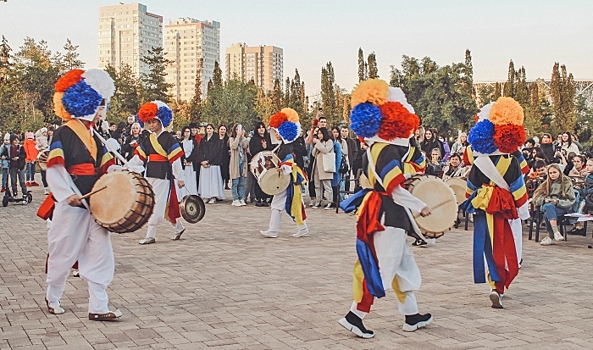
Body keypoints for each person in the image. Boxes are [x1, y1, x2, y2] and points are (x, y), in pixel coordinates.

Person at [339, 81, 433, 338]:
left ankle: (411, 315)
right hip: (387, 214)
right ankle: (355, 315)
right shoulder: (387, 149)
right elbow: (393, 187)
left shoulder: (378, 146)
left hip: (383, 212)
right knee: (383, 265)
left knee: (402, 263)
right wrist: (421, 205)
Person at [44, 68, 121, 319]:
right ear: (86, 102)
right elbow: (55, 167)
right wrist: (66, 194)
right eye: (99, 106)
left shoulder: (96, 136)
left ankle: (98, 307)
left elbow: (107, 166)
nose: (102, 111)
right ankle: (52, 295)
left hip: (95, 201)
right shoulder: (64, 132)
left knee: (100, 252)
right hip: (73, 201)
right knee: (64, 251)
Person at [463, 97, 529, 309]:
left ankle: (494, 283)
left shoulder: (479, 162)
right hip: (505, 209)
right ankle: (499, 285)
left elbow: (470, 188)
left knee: (488, 246)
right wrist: (523, 211)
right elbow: (519, 188)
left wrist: (469, 202)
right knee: (507, 245)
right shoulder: (511, 161)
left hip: (484, 208)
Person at [129, 101, 186, 244]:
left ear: (161, 120)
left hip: (163, 175)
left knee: (156, 204)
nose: (151, 124)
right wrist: (128, 165)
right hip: (150, 174)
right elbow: (140, 157)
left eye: (154, 121)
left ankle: (150, 234)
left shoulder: (169, 138)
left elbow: (175, 161)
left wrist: (180, 178)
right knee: (162, 204)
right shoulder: (148, 139)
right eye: (149, 122)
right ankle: (179, 227)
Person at [260, 108, 309, 238]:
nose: (275, 134)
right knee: (294, 204)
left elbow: (289, 161)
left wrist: (283, 168)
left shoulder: (286, 146)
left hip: (288, 180)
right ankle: (301, 227)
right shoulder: (283, 145)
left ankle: (273, 230)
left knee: (282, 204)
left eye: (276, 131)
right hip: (288, 179)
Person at [533, 164, 575, 245]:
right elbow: (536, 198)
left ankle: (550, 236)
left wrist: (557, 202)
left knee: (547, 214)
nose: (552, 175)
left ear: (559, 172)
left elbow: (571, 200)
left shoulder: (566, 183)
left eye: (554, 172)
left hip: (560, 207)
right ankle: (556, 232)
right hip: (546, 205)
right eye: (550, 173)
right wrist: (545, 200)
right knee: (549, 206)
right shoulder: (545, 184)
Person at [198, 124, 225, 204]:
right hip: (204, 163)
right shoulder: (203, 139)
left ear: (213, 129)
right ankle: (206, 195)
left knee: (213, 181)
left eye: (210, 128)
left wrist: (208, 161)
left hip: (213, 163)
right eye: (208, 128)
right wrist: (202, 161)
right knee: (205, 180)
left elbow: (215, 151)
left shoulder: (217, 139)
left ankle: (213, 196)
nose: (209, 130)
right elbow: (201, 150)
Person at [248, 121, 272, 206]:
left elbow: (271, 148)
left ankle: (265, 198)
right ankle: (258, 198)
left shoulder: (268, 137)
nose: (261, 129)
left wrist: (267, 147)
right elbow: (252, 150)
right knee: (258, 180)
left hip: (267, 162)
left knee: (266, 179)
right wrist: (261, 147)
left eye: (263, 127)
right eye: (259, 128)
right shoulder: (254, 139)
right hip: (258, 162)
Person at [310, 127, 334, 209]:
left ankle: (329, 201)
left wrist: (318, 143)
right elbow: (313, 154)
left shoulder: (329, 142)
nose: (319, 135)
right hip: (317, 165)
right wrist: (316, 144)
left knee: (327, 185)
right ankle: (318, 201)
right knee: (317, 185)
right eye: (318, 134)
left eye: (321, 133)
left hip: (325, 166)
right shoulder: (318, 142)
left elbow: (325, 150)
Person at [1, 134, 27, 202]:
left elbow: (24, 155)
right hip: (12, 167)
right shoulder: (9, 148)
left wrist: (18, 158)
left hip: (20, 167)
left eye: (17, 140)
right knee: (13, 182)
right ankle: (15, 193)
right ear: (12, 141)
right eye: (15, 140)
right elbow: (4, 154)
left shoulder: (21, 147)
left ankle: (25, 194)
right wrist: (3, 156)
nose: (16, 142)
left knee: (22, 181)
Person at [228, 123, 249, 206]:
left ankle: (241, 198)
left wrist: (243, 136)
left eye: (239, 129)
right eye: (236, 129)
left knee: (242, 182)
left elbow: (245, 145)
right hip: (235, 162)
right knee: (235, 181)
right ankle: (235, 198)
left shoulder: (243, 138)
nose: (238, 131)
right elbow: (233, 146)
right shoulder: (231, 139)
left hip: (243, 161)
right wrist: (237, 136)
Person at [178, 126, 199, 196]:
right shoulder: (180, 142)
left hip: (191, 163)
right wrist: (184, 160)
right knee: (184, 177)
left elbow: (195, 152)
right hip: (183, 163)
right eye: (185, 132)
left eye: (188, 132)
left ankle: (192, 193)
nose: (187, 133)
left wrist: (189, 160)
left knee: (191, 178)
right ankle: (183, 194)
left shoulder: (193, 141)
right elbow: (180, 152)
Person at [341, 126, 359, 193]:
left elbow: (355, 151)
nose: (344, 133)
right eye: (343, 131)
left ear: (348, 132)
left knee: (347, 178)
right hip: (340, 161)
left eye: (345, 131)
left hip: (348, 162)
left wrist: (352, 160)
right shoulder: (338, 140)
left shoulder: (352, 141)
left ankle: (346, 192)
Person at [331, 126, 345, 206]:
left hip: (337, 166)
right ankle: (333, 200)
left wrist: (337, 167)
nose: (335, 134)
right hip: (330, 166)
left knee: (337, 183)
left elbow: (339, 156)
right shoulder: (330, 142)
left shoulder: (337, 144)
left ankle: (337, 200)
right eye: (333, 132)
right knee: (332, 184)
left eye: (336, 132)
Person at [218, 125, 231, 190]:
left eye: (224, 129)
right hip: (217, 157)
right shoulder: (216, 138)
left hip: (225, 157)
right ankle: (220, 184)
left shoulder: (227, 139)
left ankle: (226, 183)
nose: (222, 131)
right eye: (221, 129)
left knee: (225, 170)